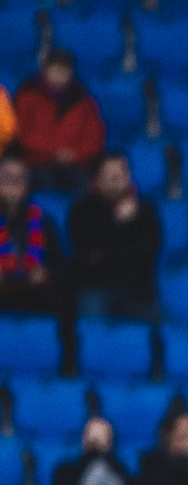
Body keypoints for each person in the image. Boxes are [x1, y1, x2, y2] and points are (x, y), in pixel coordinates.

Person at [67, 151, 161, 320]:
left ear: (128, 176)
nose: (114, 182)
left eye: (118, 176)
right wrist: (118, 222)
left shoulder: (145, 210)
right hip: (96, 286)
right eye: (108, 176)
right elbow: (86, 250)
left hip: (136, 288)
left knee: (154, 325)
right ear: (98, 179)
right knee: (91, 322)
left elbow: (149, 251)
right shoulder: (83, 207)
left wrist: (107, 252)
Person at [12, 49, 105, 188]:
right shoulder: (27, 96)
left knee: (86, 184)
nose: (60, 73)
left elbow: (95, 138)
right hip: (36, 163)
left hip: (74, 165)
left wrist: (75, 155)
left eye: (64, 69)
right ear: (45, 70)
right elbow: (20, 133)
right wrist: (53, 152)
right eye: (55, 68)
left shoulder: (84, 102)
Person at [0, 155, 61, 317]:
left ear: (27, 184)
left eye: (19, 177)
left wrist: (45, 273)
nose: (13, 182)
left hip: (35, 295)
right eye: (7, 177)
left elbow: (58, 264)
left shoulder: (43, 221)